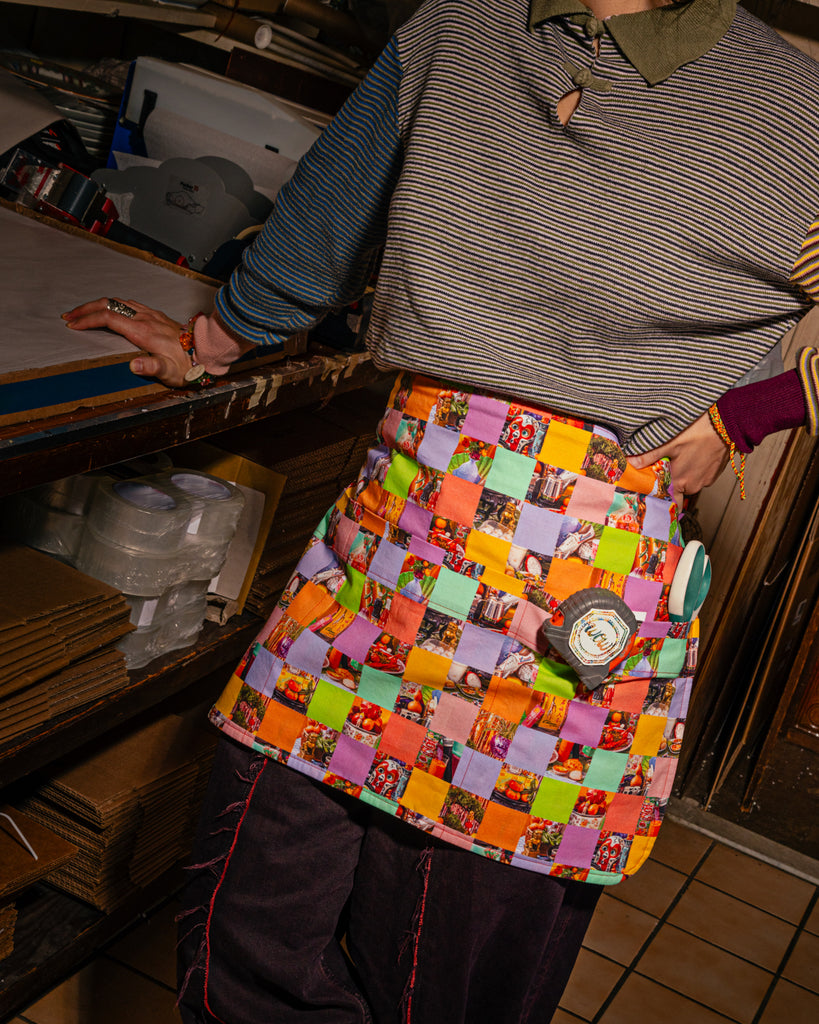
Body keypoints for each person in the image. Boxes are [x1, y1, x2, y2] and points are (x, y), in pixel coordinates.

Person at [64, 1, 819, 1020]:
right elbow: (329, 214)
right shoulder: (461, 23)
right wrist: (215, 341)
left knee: (448, 991)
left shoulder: (797, 107)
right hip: (382, 554)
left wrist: (749, 412)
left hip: (569, 624)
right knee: (247, 951)